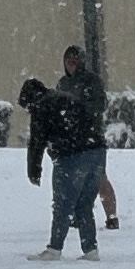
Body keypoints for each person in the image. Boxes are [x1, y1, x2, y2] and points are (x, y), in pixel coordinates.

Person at [18, 73, 106, 259]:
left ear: (30, 100)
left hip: (72, 155)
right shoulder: (63, 97)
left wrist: (34, 170)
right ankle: (90, 249)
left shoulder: (41, 106)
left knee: (63, 204)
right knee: (84, 204)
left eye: (27, 108)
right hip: (97, 151)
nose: (28, 112)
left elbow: (37, 141)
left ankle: (54, 249)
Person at [56, 42, 119, 227]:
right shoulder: (63, 83)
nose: (71, 64)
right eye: (68, 61)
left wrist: (79, 110)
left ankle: (111, 216)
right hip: (71, 140)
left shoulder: (92, 81)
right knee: (75, 180)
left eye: (75, 61)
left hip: (91, 138)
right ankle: (79, 215)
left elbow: (99, 106)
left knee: (98, 178)